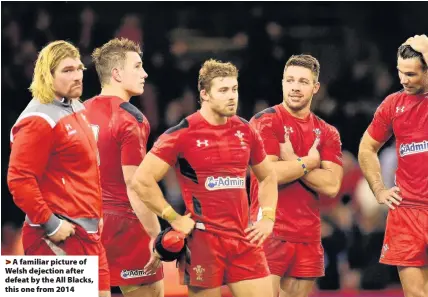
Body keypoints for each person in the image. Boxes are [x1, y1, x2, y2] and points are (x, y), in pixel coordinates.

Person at [131, 59, 278, 297]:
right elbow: (141, 181)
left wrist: (268, 217)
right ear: (205, 94)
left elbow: (268, 176)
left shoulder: (246, 130)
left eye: (234, 89)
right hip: (203, 243)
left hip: (244, 239)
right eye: (223, 90)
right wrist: (173, 218)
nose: (232, 96)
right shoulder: (182, 133)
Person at [7, 40, 110, 297]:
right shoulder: (38, 119)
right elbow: (19, 180)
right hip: (56, 238)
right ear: (47, 75)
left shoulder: (75, 106)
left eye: (78, 69)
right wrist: (51, 224)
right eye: (67, 70)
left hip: (87, 236)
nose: (77, 76)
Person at [249, 54, 344, 297]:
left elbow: (332, 185)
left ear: (315, 87)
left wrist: (293, 161)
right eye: (290, 80)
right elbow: (268, 174)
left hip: (308, 236)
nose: (295, 87)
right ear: (282, 83)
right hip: (269, 231)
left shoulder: (328, 132)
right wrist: (311, 163)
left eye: (303, 82)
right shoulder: (265, 122)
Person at [84, 38, 164, 297]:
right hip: (126, 226)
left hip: (86, 225)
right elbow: (135, 184)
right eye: (138, 66)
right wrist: (156, 235)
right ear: (117, 73)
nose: (145, 73)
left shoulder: (78, 113)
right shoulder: (131, 118)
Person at [358, 34, 428, 297]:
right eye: (400, 72)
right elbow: (367, 147)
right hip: (406, 212)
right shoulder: (392, 105)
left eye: (411, 74)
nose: (403, 80)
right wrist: (378, 189)